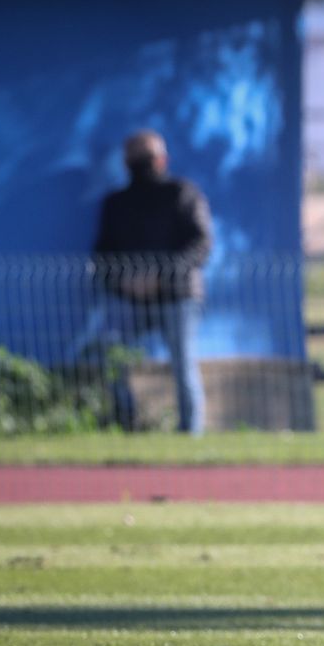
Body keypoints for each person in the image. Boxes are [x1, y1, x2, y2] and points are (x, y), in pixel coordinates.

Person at [92, 129, 211, 435]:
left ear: (162, 160)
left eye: (147, 157)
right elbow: (103, 254)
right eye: (135, 158)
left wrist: (162, 276)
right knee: (111, 355)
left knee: (183, 363)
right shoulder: (117, 203)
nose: (141, 164)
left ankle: (191, 432)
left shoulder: (182, 193)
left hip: (178, 295)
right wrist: (123, 282)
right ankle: (126, 422)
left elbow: (200, 244)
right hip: (129, 298)